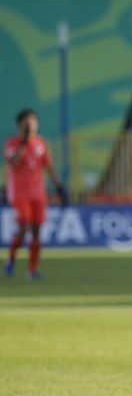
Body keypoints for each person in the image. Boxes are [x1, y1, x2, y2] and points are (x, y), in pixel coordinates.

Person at [4, 109, 67, 279]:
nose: (31, 125)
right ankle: (11, 260)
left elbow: (49, 166)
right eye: (27, 122)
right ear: (20, 125)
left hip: (38, 193)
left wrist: (59, 187)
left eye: (33, 122)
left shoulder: (41, 143)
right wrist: (23, 144)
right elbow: (13, 164)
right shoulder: (12, 143)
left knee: (37, 231)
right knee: (23, 227)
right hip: (19, 193)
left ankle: (32, 270)